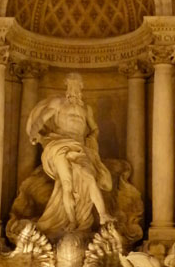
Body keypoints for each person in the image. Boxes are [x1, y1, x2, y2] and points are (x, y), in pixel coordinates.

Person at [26, 72, 113, 234]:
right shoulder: (58, 103)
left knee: (89, 176)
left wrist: (92, 139)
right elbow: (42, 119)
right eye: (71, 83)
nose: (74, 87)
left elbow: (94, 128)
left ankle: (103, 215)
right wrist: (34, 133)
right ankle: (72, 222)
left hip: (79, 147)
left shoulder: (86, 109)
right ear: (66, 86)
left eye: (77, 84)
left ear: (81, 87)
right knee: (66, 184)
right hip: (59, 145)